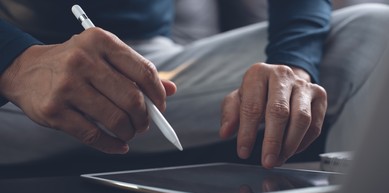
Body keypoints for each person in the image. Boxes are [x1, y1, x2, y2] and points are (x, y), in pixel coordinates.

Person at [0, 0, 388, 171]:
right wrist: (17, 62)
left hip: (157, 65)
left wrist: (293, 64)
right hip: (21, 81)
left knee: (377, 30)